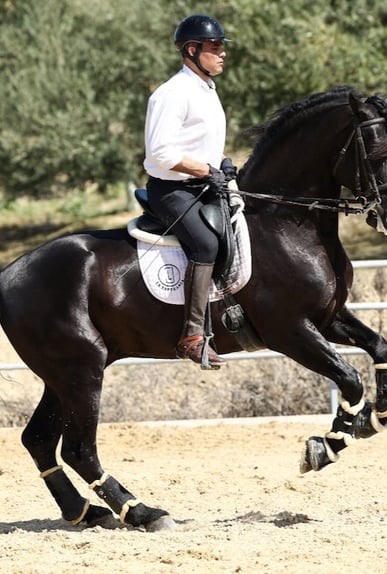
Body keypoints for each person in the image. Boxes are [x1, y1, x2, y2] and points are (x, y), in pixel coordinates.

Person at [143, 14, 236, 369]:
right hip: (171, 191)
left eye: (222, 47)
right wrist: (207, 170)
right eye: (215, 47)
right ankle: (192, 336)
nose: (222, 53)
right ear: (192, 50)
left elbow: (201, 144)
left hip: (203, 185)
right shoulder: (172, 94)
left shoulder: (206, 90)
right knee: (206, 243)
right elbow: (161, 153)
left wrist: (223, 163)